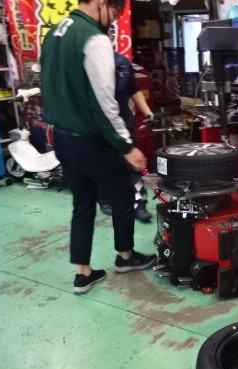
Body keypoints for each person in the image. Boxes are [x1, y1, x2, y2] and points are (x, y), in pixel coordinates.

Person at [40, 0, 157, 294]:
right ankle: (126, 257)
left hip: (63, 139)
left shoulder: (55, 31)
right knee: (123, 196)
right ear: (102, 4)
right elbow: (105, 102)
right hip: (92, 141)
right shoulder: (94, 38)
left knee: (82, 204)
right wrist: (126, 146)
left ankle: (83, 273)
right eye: (114, 13)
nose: (113, 20)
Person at [98, 39, 154, 223]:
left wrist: (147, 112)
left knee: (133, 163)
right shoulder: (89, 64)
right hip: (100, 123)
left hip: (124, 121)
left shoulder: (122, 62)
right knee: (104, 164)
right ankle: (105, 199)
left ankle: (139, 204)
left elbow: (134, 89)